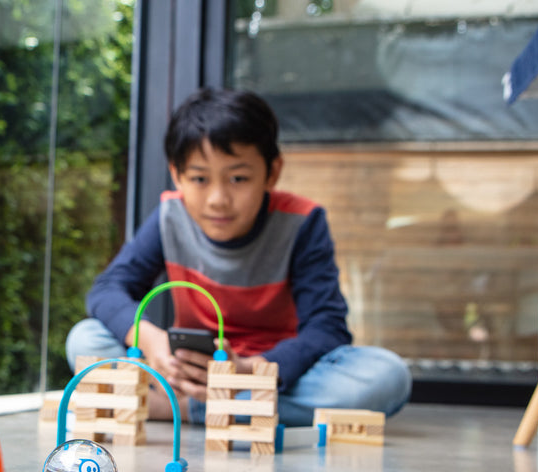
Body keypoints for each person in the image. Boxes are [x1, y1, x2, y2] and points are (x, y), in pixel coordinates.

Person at [65, 87, 411, 426]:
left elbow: (326, 329)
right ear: (177, 175)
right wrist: (151, 342)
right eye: (199, 179)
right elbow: (108, 288)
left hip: (265, 373)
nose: (218, 199)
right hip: (188, 370)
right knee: (85, 338)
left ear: (272, 173)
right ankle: (222, 409)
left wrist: (247, 369)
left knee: (386, 377)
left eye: (238, 178)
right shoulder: (171, 215)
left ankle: (179, 409)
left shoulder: (302, 223)